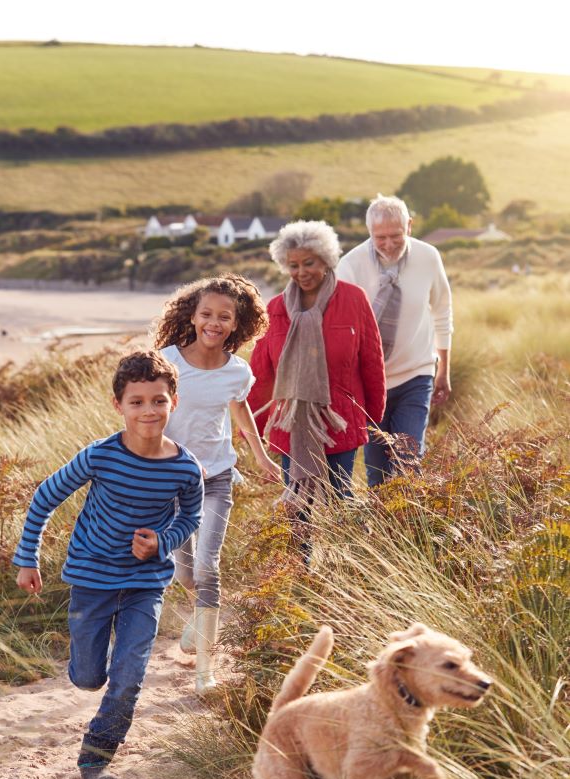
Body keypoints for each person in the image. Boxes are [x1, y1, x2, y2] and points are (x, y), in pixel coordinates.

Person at [13, 350, 203, 779]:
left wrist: (162, 541)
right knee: (87, 677)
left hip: (145, 584)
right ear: (118, 406)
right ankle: (86, 670)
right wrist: (27, 558)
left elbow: (190, 517)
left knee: (129, 679)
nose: (149, 410)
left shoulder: (184, 467)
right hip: (92, 580)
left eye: (158, 400)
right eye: (136, 402)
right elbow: (45, 497)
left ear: (173, 400)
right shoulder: (101, 456)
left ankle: (94, 762)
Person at [154, 273, 282, 694]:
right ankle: (198, 620)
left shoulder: (236, 370)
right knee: (186, 574)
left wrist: (260, 453)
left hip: (217, 477)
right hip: (172, 482)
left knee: (209, 568)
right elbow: (148, 413)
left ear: (235, 323)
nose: (214, 322)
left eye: (224, 317)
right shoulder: (167, 362)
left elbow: (240, 408)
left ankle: (205, 670)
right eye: (206, 313)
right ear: (192, 316)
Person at [248, 220, 386, 512]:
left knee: (339, 502)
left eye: (308, 263)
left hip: (341, 421)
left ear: (326, 259)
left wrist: (373, 420)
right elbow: (261, 374)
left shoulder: (353, 299)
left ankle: (344, 558)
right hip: (291, 424)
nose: (301, 272)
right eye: (293, 265)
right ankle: (303, 560)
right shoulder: (274, 309)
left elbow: (372, 362)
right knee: (298, 506)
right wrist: (253, 432)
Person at [337, 195, 453, 486]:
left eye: (396, 236)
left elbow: (442, 311)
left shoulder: (428, 257)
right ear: (369, 233)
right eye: (380, 238)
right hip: (369, 385)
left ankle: (416, 527)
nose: (389, 244)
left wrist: (444, 370)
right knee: (378, 476)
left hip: (416, 374)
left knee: (408, 461)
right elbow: (339, 329)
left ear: (410, 227)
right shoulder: (351, 266)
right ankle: (385, 530)